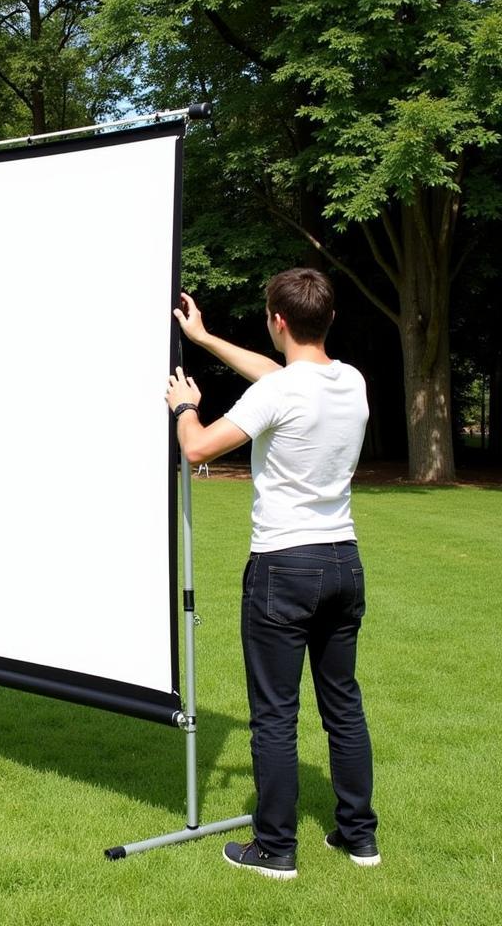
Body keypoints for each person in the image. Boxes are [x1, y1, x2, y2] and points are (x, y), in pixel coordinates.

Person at [166, 267, 379, 881]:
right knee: (343, 705)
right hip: (344, 560)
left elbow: (200, 448)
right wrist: (204, 338)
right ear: (327, 319)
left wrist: (186, 408)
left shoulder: (279, 393)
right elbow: (279, 375)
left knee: (274, 715)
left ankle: (275, 850)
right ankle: (359, 839)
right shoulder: (352, 382)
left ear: (277, 320)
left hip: (284, 566)